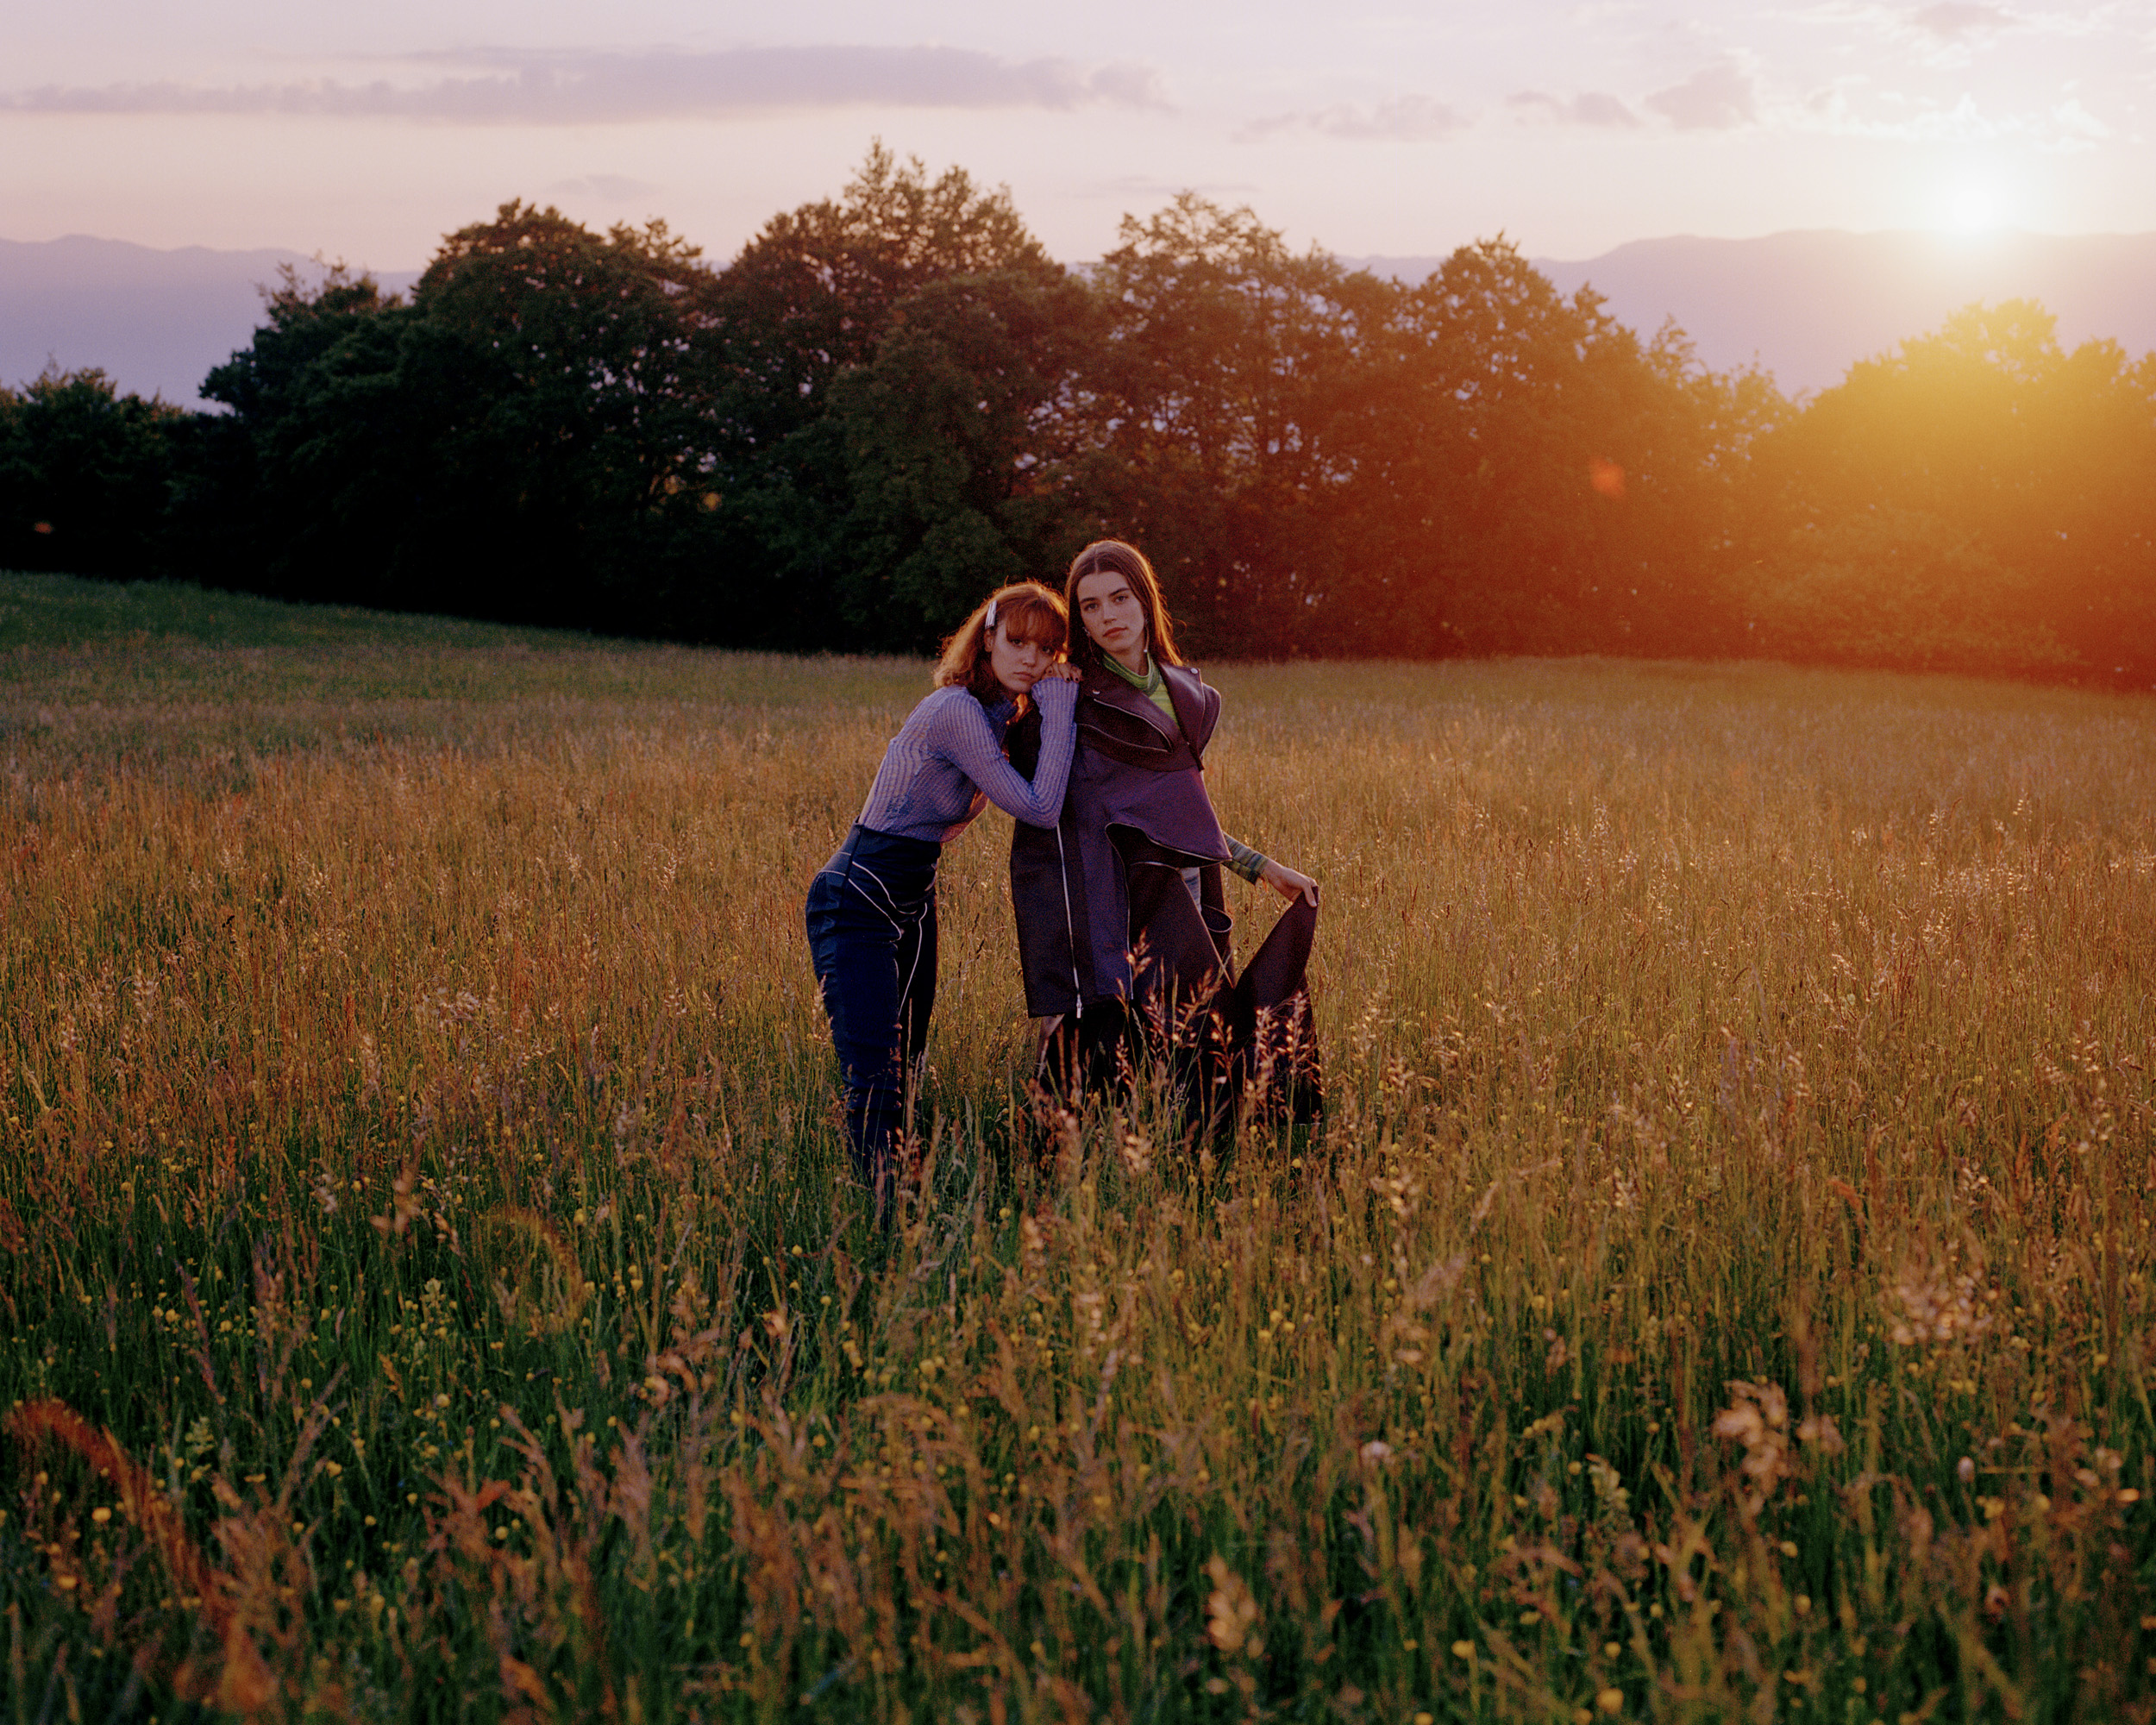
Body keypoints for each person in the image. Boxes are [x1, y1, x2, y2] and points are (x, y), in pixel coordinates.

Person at [1008, 539, 1322, 1133]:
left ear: (1146, 601)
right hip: (1111, 894)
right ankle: (1058, 1173)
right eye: (1092, 607)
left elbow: (1174, 810)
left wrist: (1260, 867)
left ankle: (1215, 1157)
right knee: (1094, 1055)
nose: (1108, 618)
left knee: (1200, 1036)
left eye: (1120, 598)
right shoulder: (1070, 699)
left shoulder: (1186, 695)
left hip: (1187, 884)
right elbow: (1050, 825)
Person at [806, 583, 1080, 1220]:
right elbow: (1040, 806)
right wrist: (1062, 704)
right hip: (858, 895)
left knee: (911, 1065)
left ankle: (914, 1200)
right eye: (1017, 642)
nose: (1032, 660)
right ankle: (887, 1226)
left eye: (1048, 650)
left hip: (913, 893)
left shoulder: (1001, 713)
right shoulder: (955, 709)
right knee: (876, 1076)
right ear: (987, 638)